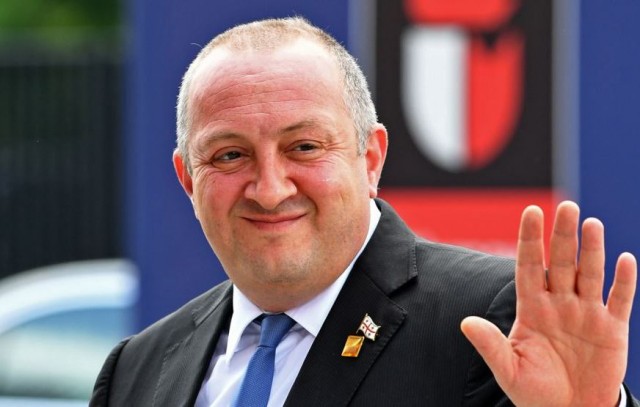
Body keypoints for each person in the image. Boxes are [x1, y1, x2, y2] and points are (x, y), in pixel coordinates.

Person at [90, 17, 638, 406]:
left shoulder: (488, 322)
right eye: (230, 155)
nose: (270, 189)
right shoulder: (135, 372)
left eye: (304, 147)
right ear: (189, 179)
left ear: (370, 158)